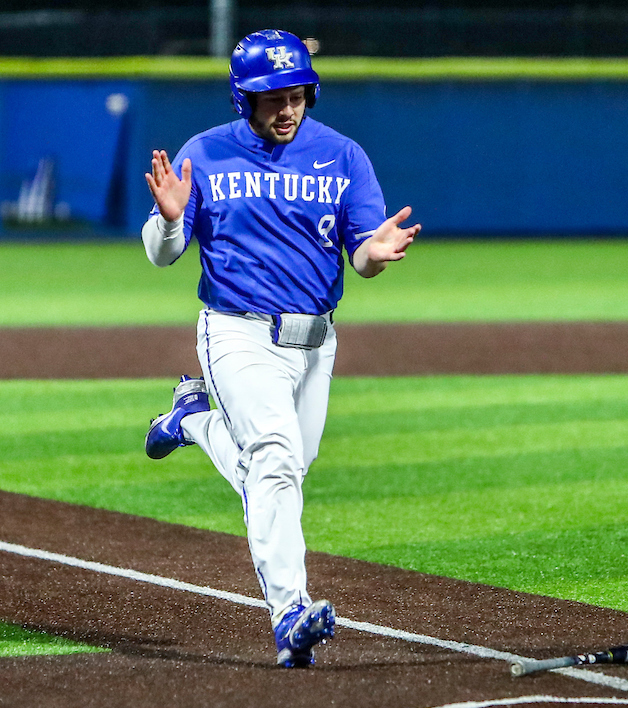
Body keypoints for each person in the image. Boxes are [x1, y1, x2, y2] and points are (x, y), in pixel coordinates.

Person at [140, 29, 420, 668]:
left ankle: (192, 421)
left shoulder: (342, 156)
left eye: (297, 96)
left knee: (286, 467)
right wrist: (172, 219)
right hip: (237, 331)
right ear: (245, 99)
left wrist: (373, 256)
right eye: (273, 98)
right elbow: (162, 256)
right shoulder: (204, 155)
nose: (288, 109)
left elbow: (361, 249)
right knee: (274, 459)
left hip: (316, 343)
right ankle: (290, 616)